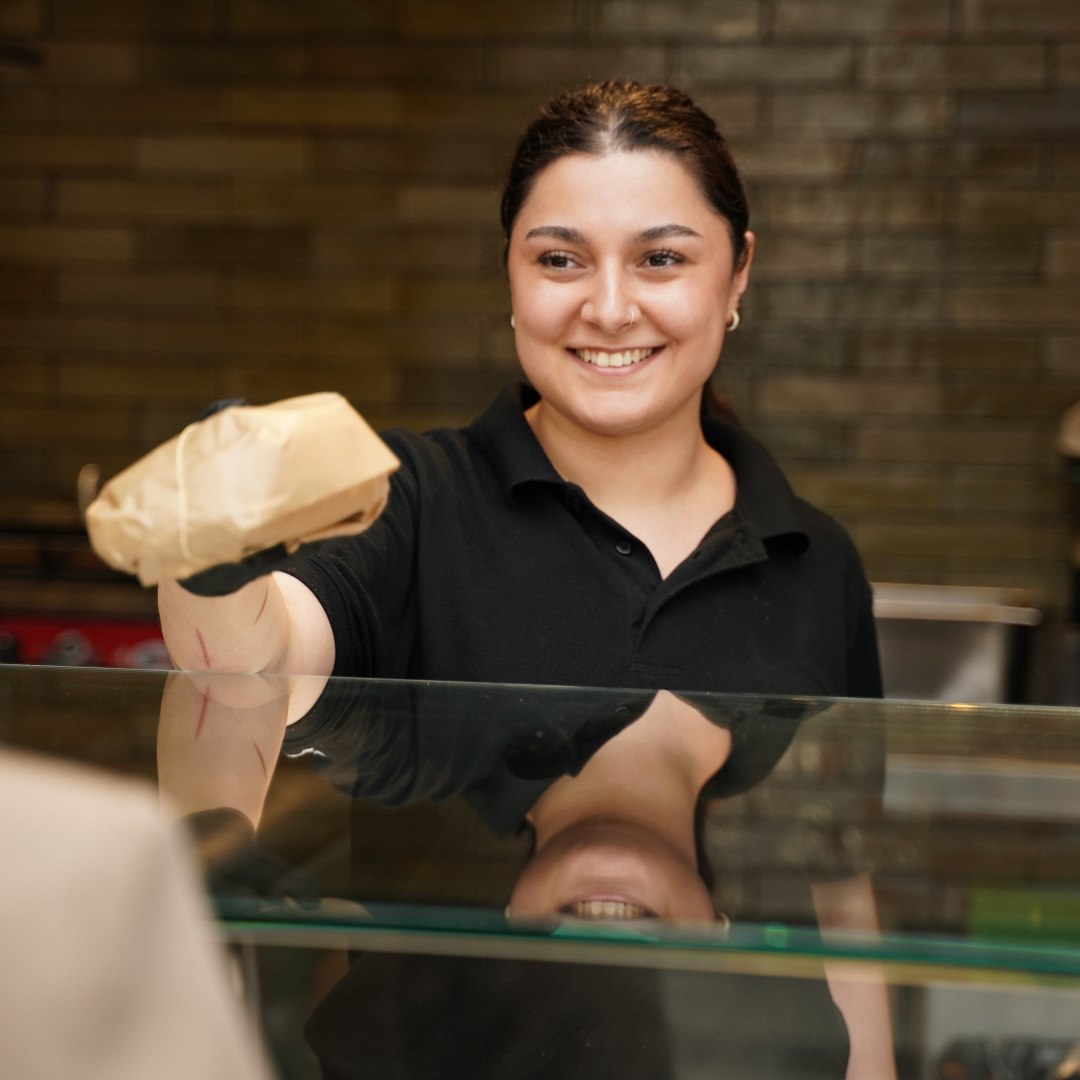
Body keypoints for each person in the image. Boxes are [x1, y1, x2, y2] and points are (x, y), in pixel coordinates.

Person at [157, 80, 881, 711]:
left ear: (738, 273)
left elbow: (843, 855)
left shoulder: (819, 559)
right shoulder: (408, 500)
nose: (608, 308)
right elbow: (258, 663)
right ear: (511, 275)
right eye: (559, 260)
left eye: (661, 259)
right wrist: (212, 538)